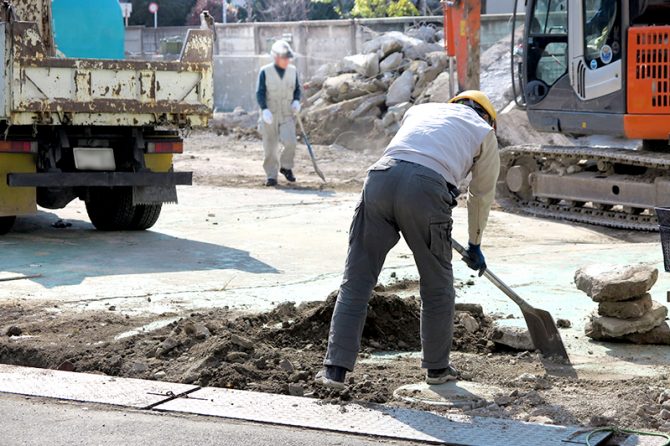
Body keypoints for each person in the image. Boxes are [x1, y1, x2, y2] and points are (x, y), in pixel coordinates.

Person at [314, 91, 500, 389]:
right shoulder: (484, 132)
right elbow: (481, 194)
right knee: (437, 286)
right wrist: (475, 243)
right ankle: (438, 370)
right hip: (426, 191)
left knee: (357, 280)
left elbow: (409, 153)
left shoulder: (422, 111)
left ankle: (334, 370)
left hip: (379, 180)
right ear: (489, 118)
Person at [256, 40, 302, 187]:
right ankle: (271, 176)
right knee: (270, 147)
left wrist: (296, 101)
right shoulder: (265, 71)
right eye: (284, 58)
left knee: (291, 142)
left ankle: (286, 167)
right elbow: (260, 92)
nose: (287, 61)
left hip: (286, 113)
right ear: (276, 58)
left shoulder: (293, 71)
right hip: (270, 113)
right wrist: (264, 109)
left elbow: (297, 89)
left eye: (288, 58)